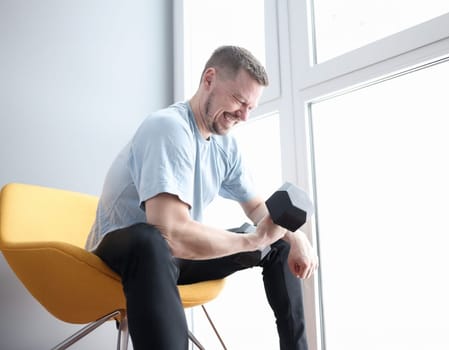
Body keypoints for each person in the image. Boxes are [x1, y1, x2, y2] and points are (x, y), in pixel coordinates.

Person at [85, 45, 318, 350]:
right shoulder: (168, 128)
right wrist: (253, 240)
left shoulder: (225, 146)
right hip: (119, 255)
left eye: (251, 107)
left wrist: (295, 238)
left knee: (276, 243)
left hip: (173, 256)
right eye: (238, 100)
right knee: (150, 239)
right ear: (209, 79)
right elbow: (170, 233)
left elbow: (258, 208)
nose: (244, 115)